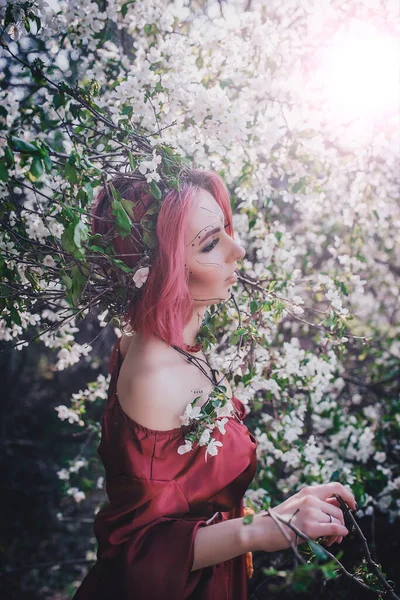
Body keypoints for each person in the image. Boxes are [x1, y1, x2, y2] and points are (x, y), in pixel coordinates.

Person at [73, 168, 356, 600]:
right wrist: (262, 530)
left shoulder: (177, 341)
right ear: (160, 269)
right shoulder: (154, 376)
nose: (237, 250)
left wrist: (284, 512)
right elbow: (135, 554)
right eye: (209, 243)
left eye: (225, 229)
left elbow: (189, 502)